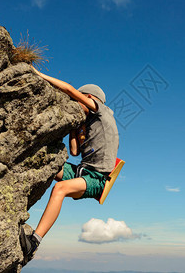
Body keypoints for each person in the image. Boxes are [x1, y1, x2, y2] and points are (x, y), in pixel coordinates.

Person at [20, 66, 119, 262]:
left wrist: (38, 74)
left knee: (60, 189)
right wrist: (75, 126)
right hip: (81, 171)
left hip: (97, 179)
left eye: (79, 100)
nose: (75, 103)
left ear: (90, 97)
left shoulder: (103, 112)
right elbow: (74, 151)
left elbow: (70, 90)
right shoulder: (90, 123)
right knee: (47, 164)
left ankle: (34, 242)